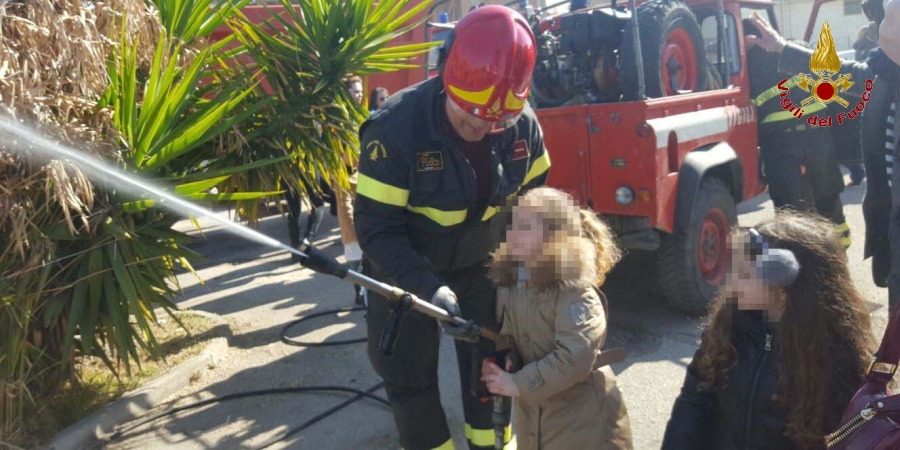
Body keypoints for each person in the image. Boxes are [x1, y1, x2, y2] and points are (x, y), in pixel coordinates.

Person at [354, 6, 551, 449]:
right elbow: (377, 230)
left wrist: (530, 274)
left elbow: (538, 208)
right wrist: (428, 288)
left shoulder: (522, 126)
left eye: (496, 121)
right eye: (468, 118)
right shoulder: (395, 131)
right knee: (409, 381)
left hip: (483, 268)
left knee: (493, 373)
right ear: (446, 77)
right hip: (404, 276)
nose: (482, 128)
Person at [661, 212, 875, 450]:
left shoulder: (837, 354)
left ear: (787, 288)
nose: (730, 282)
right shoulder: (729, 326)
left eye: (744, 275)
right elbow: (694, 401)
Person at [746, 10, 900, 308]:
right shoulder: (886, 74)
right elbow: (844, 73)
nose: (880, 25)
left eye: (889, 13)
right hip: (894, 248)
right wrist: (781, 47)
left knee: (803, 219)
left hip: (800, 151)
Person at [481, 187, 632, 449]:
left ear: (555, 239)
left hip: (584, 421)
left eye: (526, 227)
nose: (514, 234)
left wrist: (517, 384)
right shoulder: (515, 283)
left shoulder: (574, 289)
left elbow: (576, 355)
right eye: (515, 224)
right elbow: (515, 337)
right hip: (537, 413)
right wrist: (510, 361)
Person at [744, 20, 851, 249]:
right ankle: (838, 255)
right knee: (828, 197)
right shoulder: (795, 47)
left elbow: (747, 113)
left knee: (789, 210)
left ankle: (797, 260)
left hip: (779, 143)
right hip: (818, 137)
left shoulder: (746, 66)